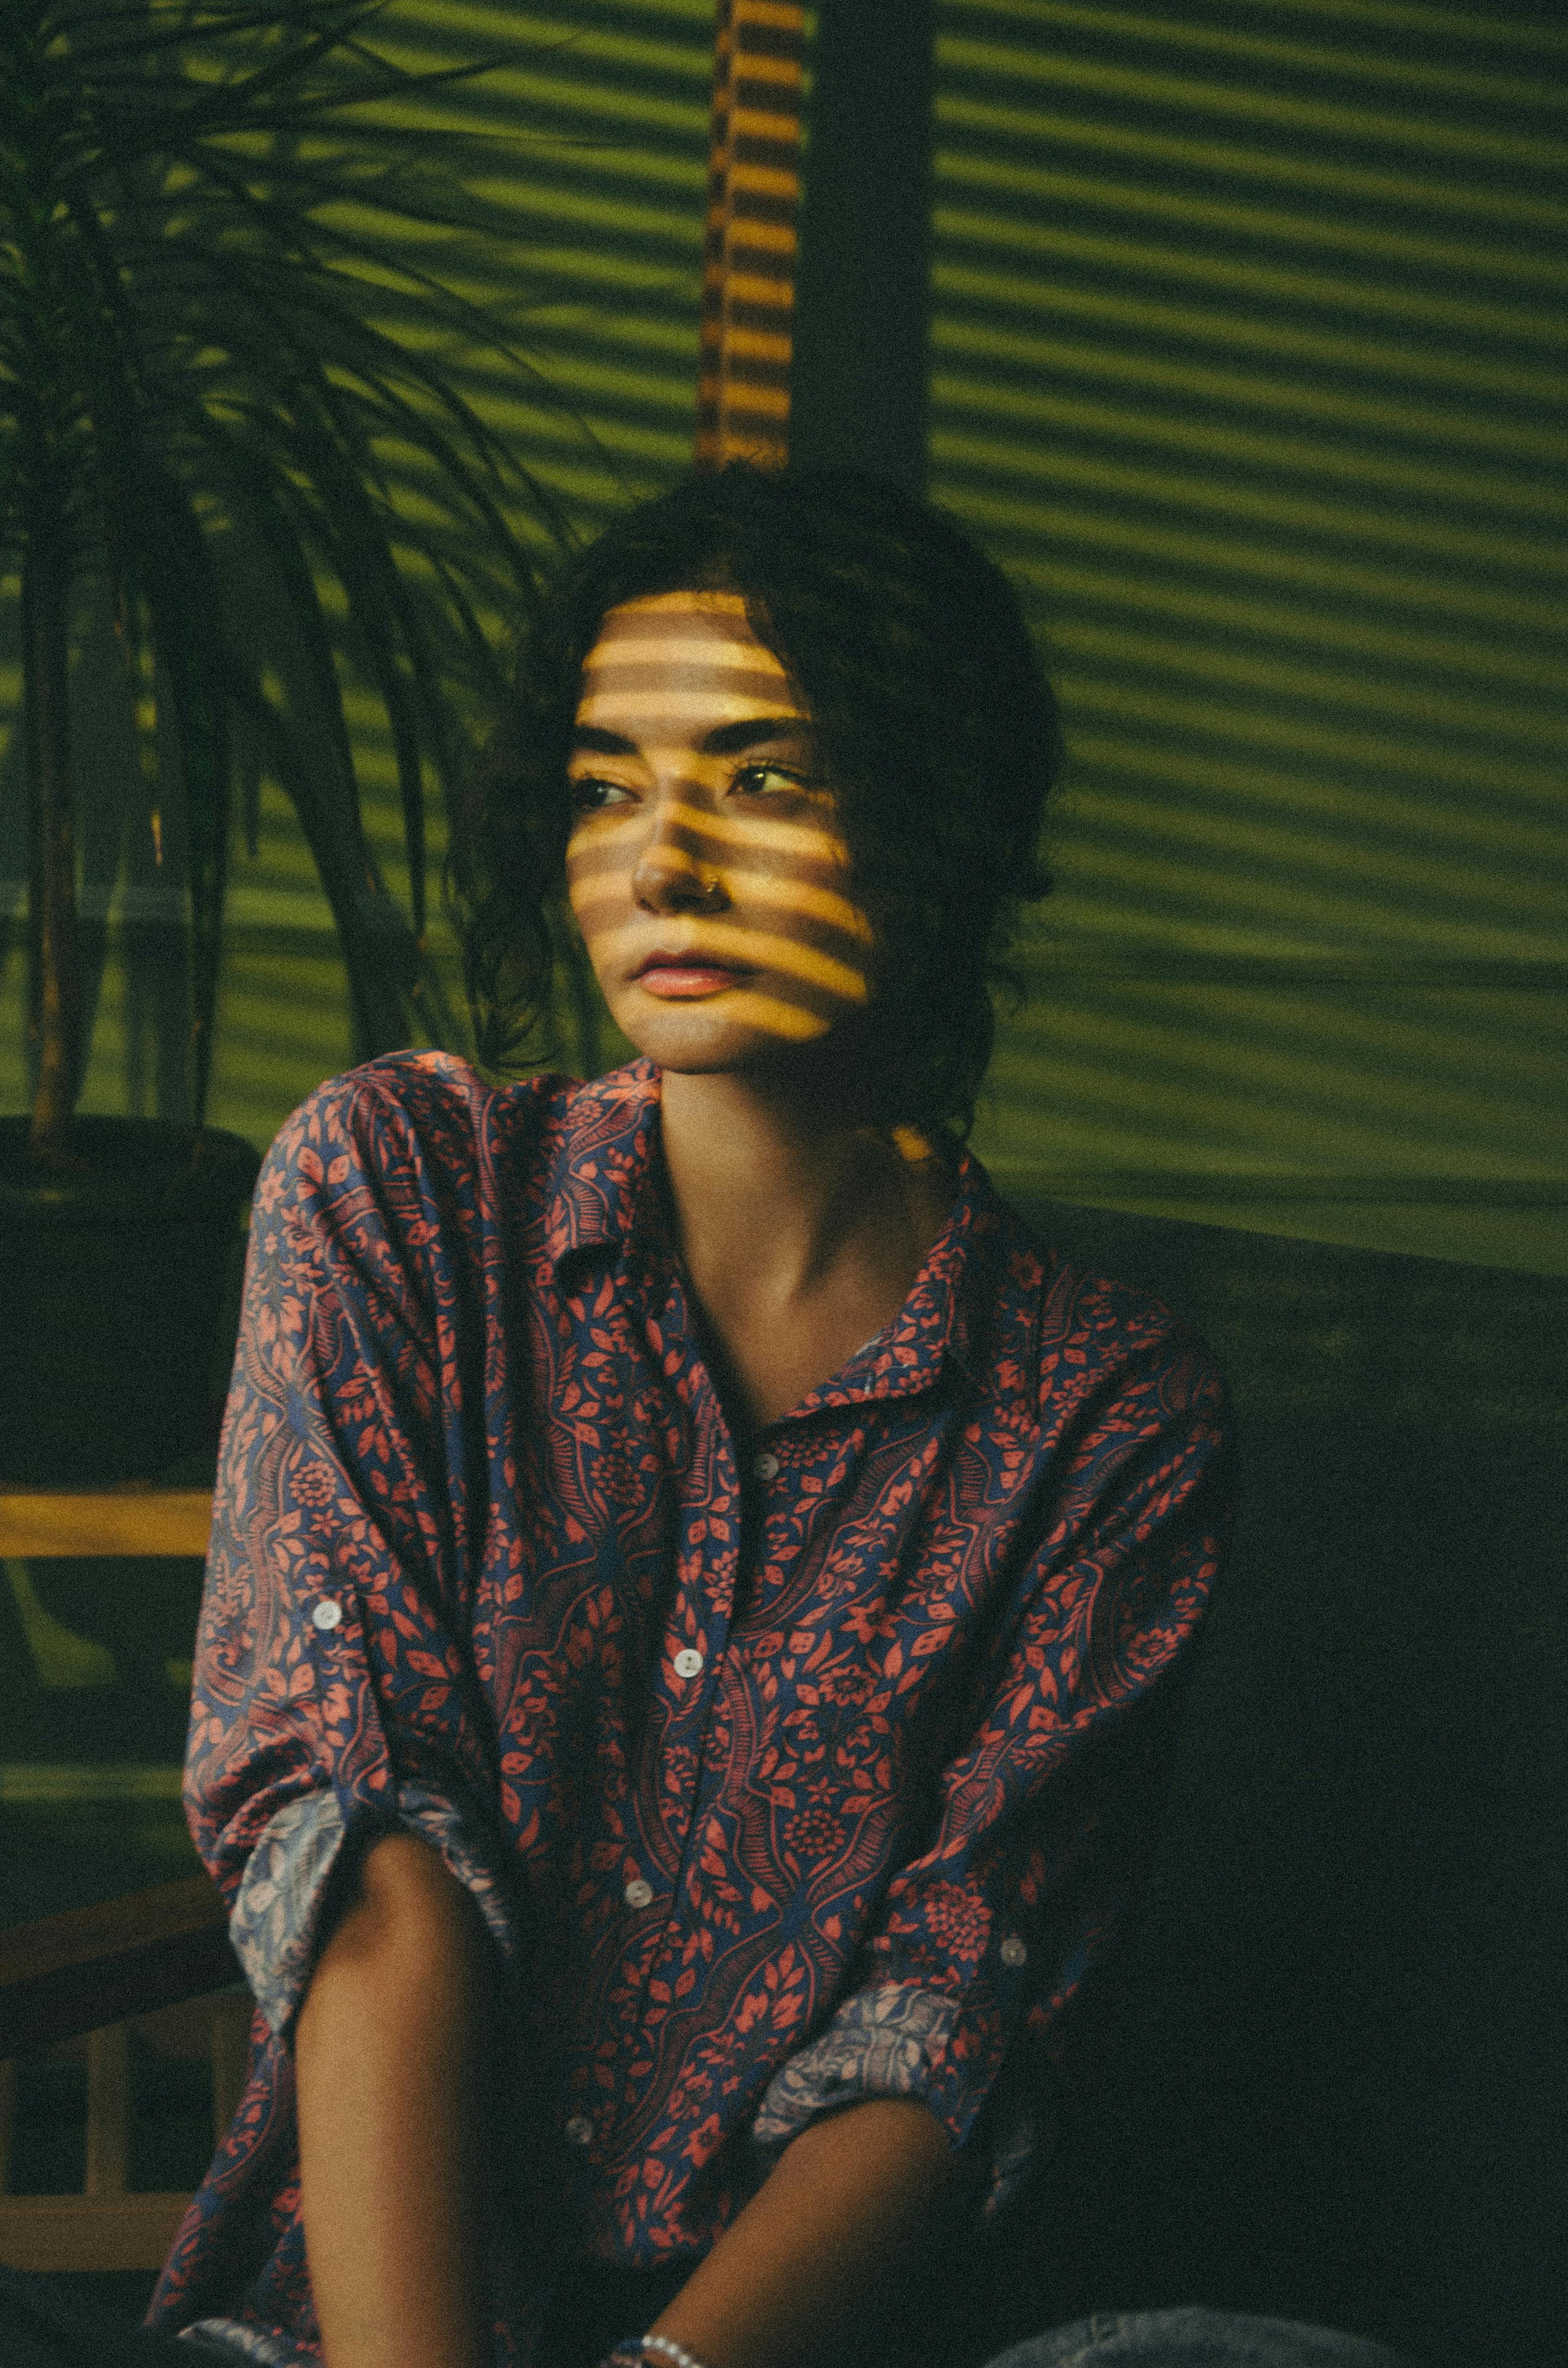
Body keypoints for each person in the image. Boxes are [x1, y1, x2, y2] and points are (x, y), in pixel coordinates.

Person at [0, 468, 1409, 2368]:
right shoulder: (399, 1194)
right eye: (605, 784)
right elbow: (368, 1866)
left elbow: (944, 2036)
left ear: (930, 818)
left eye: (759, 775)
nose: (659, 859)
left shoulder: (1108, 1416)